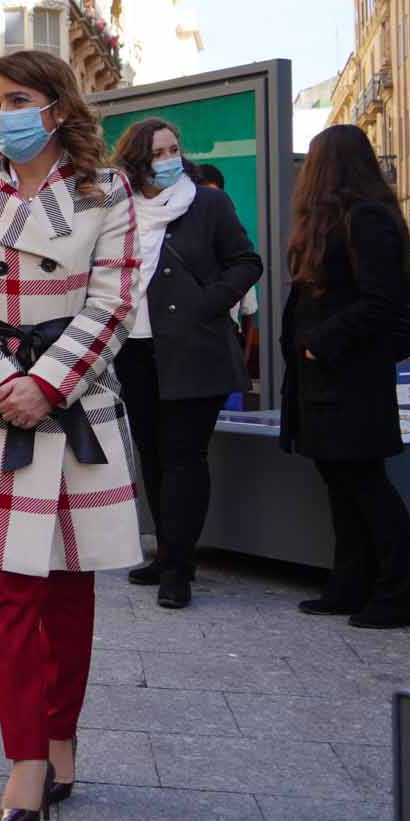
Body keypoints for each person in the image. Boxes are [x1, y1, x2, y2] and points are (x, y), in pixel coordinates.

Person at [0, 50, 142, 821]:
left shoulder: (104, 191)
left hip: (70, 402)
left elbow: (114, 301)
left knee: (67, 592)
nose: (3, 114)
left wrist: (46, 383)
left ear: (56, 106)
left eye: (18, 98)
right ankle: (25, 757)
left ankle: (59, 733)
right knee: (6, 591)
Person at [280, 123, 410, 629]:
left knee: (363, 481)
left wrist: (318, 344)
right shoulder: (343, 220)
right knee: (341, 480)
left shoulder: (366, 220)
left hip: (349, 376)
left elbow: (381, 301)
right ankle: (351, 584)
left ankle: (404, 593)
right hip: (329, 378)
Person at [107, 121, 262, 610]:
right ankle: (165, 552)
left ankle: (180, 567)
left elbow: (246, 262)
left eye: (174, 149)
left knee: (183, 456)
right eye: (158, 152)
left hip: (195, 349)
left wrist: (209, 302)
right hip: (135, 350)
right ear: (137, 160)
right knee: (151, 455)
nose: (170, 157)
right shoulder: (118, 209)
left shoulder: (207, 203)